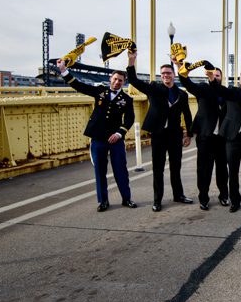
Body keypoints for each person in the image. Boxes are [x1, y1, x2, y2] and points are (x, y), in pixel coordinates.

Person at [56, 58, 136, 211]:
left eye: (120, 80)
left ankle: (126, 199)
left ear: (124, 82)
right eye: (115, 79)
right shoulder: (99, 91)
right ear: (110, 79)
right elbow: (78, 85)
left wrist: (120, 133)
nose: (117, 82)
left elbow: (130, 119)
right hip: (98, 137)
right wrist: (63, 70)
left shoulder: (127, 99)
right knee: (100, 171)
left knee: (121, 170)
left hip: (116, 139)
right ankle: (103, 201)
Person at [127, 50, 194, 212]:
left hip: (175, 134)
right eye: (163, 73)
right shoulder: (153, 88)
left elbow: (187, 115)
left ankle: (179, 195)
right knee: (158, 169)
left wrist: (189, 134)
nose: (166, 75)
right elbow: (133, 80)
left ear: (174, 75)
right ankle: (157, 200)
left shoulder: (182, 94)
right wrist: (131, 61)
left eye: (169, 73)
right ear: (160, 75)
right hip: (158, 134)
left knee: (176, 167)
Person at [177, 61, 229, 210]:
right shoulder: (203, 89)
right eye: (213, 74)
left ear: (222, 78)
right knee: (203, 169)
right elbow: (188, 84)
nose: (216, 77)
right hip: (205, 137)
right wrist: (182, 71)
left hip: (222, 138)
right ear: (208, 75)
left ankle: (224, 195)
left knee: (222, 170)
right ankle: (204, 198)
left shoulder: (226, 92)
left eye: (218, 75)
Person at [210, 70, 241, 212]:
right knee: (232, 171)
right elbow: (219, 90)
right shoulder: (233, 92)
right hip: (233, 138)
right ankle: (235, 201)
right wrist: (212, 79)